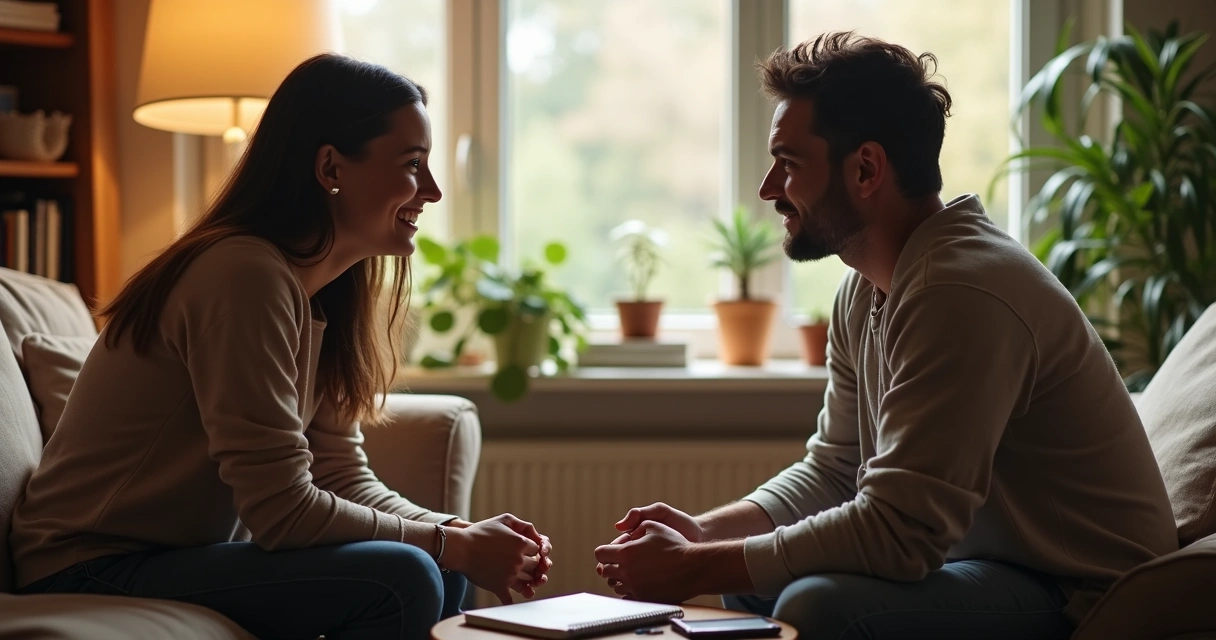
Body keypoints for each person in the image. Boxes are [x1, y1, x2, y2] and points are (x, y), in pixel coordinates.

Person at [594, 32, 1177, 639]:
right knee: (754, 570)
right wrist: (704, 533)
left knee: (815, 603)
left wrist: (692, 567)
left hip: (1086, 595)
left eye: (789, 164)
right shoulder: (869, 287)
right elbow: (836, 471)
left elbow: (904, 534)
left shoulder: (962, 292)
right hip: (992, 568)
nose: (769, 189)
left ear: (866, 168)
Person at [12, 53, 551, 640]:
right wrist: (452, 542)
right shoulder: (241, 274)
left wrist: (458, 533)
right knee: (409, 576)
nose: (435, 191)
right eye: (412, 164)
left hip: (167, 556)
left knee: (442, 572)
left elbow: (342, 474)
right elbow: (281, 512)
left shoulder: (320, 291)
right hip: (87, 564)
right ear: (330, 168)